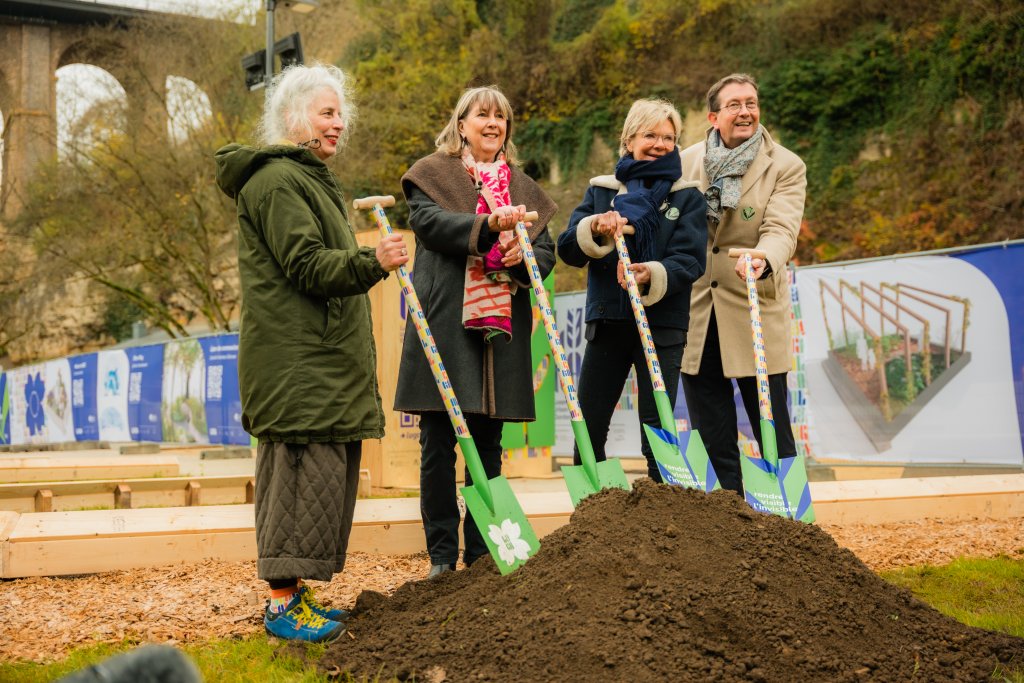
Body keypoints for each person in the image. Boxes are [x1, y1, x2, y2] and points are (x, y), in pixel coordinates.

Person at [214, 63, 407, 643]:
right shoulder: (275, 183)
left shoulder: (308, 181)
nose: (338, 124)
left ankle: (295, 598)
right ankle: (279, 606)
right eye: (326, 113)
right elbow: (305, 266)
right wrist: (373, 262)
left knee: (318, 480)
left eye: (340, 113)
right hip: (297, 367)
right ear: (293, 118)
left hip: (318, 363)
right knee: (296, 479)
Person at [396, 86, 557, 578]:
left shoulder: (525, 189)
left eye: (501, 117)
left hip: (498, 336)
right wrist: (488, 226)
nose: (492, 123)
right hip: (446, 324)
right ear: (460, 124)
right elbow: (429, 224)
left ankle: (484, 555)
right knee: (439, 445)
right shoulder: (432, 174)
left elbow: (545, 253)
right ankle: (442, 558)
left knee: (488, 446)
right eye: (481, 115)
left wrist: (521, 258)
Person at [556, 98, 707, 482]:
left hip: (663, 325)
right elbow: (568, 249)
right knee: (589, 425)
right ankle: (594, 514)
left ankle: (661, 516)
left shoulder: (686, 196)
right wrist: (593, 228)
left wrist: (650, 273)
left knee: (657, 428)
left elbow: (690, 260)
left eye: (668, 137)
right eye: (650, 135)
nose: (660, 144)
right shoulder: (602, 192)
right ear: (629, 140)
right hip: (609, 320)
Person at [679, 73, 807, 493]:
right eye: (734, 104)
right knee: (713, 438)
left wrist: (764, 258)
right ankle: (728, 527)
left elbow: (782, 228)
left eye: (751, 102)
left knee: (773, 434)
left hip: (754, 305)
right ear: (714, 116)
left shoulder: (786, 165)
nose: (746, 111)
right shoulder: (684, 161)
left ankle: (791, 528)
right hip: (697, 315)